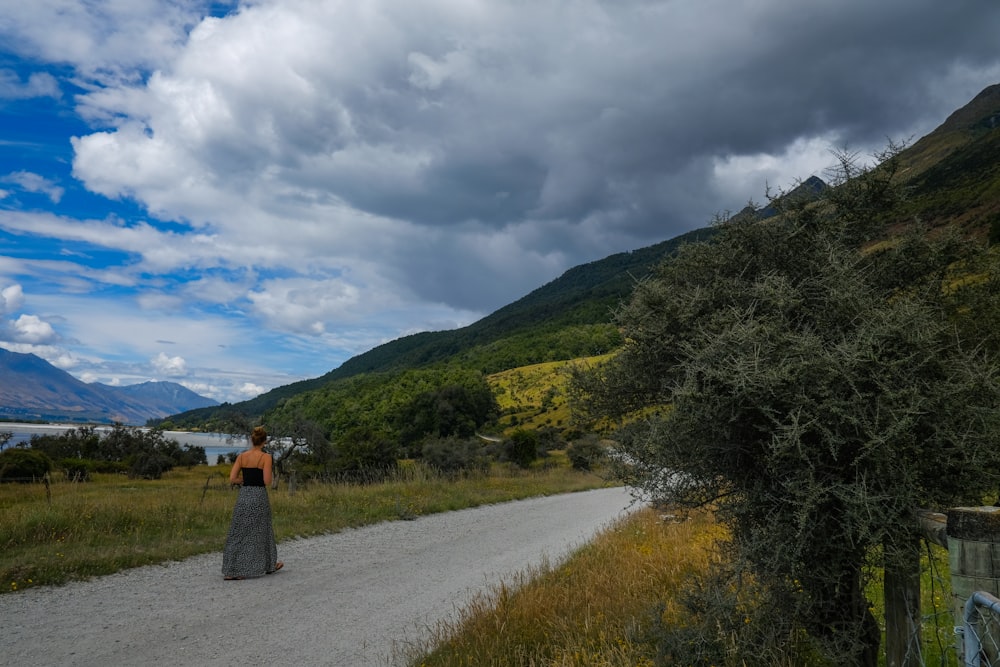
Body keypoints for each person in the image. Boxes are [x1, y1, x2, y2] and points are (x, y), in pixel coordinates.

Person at [222, 426, 283, 580]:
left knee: (239, 531)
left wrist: (245, 480)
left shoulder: (242, 456)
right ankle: (268, 564)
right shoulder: (266, 457)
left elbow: (233, 478)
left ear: (252, 440)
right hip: (258, 496)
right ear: (265, 441)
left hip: (244, 495)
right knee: (261, 530)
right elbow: (267, 481)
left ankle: (232, 569)